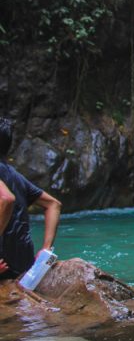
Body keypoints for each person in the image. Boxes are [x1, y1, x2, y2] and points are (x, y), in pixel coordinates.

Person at [0, 118, 61, 280]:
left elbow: (6, 199)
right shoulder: (15, 176)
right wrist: (46, 249)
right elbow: (53, 204)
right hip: (24, 265)